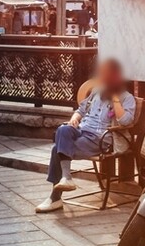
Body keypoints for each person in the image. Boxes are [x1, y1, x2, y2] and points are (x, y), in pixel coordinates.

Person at [36, 59, 136, 213]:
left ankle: (55, 196)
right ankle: (65, 179)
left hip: (100, 138)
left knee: (57, 149)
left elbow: (126, 121)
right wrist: (75, 118)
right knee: (63, 130)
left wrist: (115, 98)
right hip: (82, 130)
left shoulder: (126, 98)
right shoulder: (97, 91)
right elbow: (81, 109)